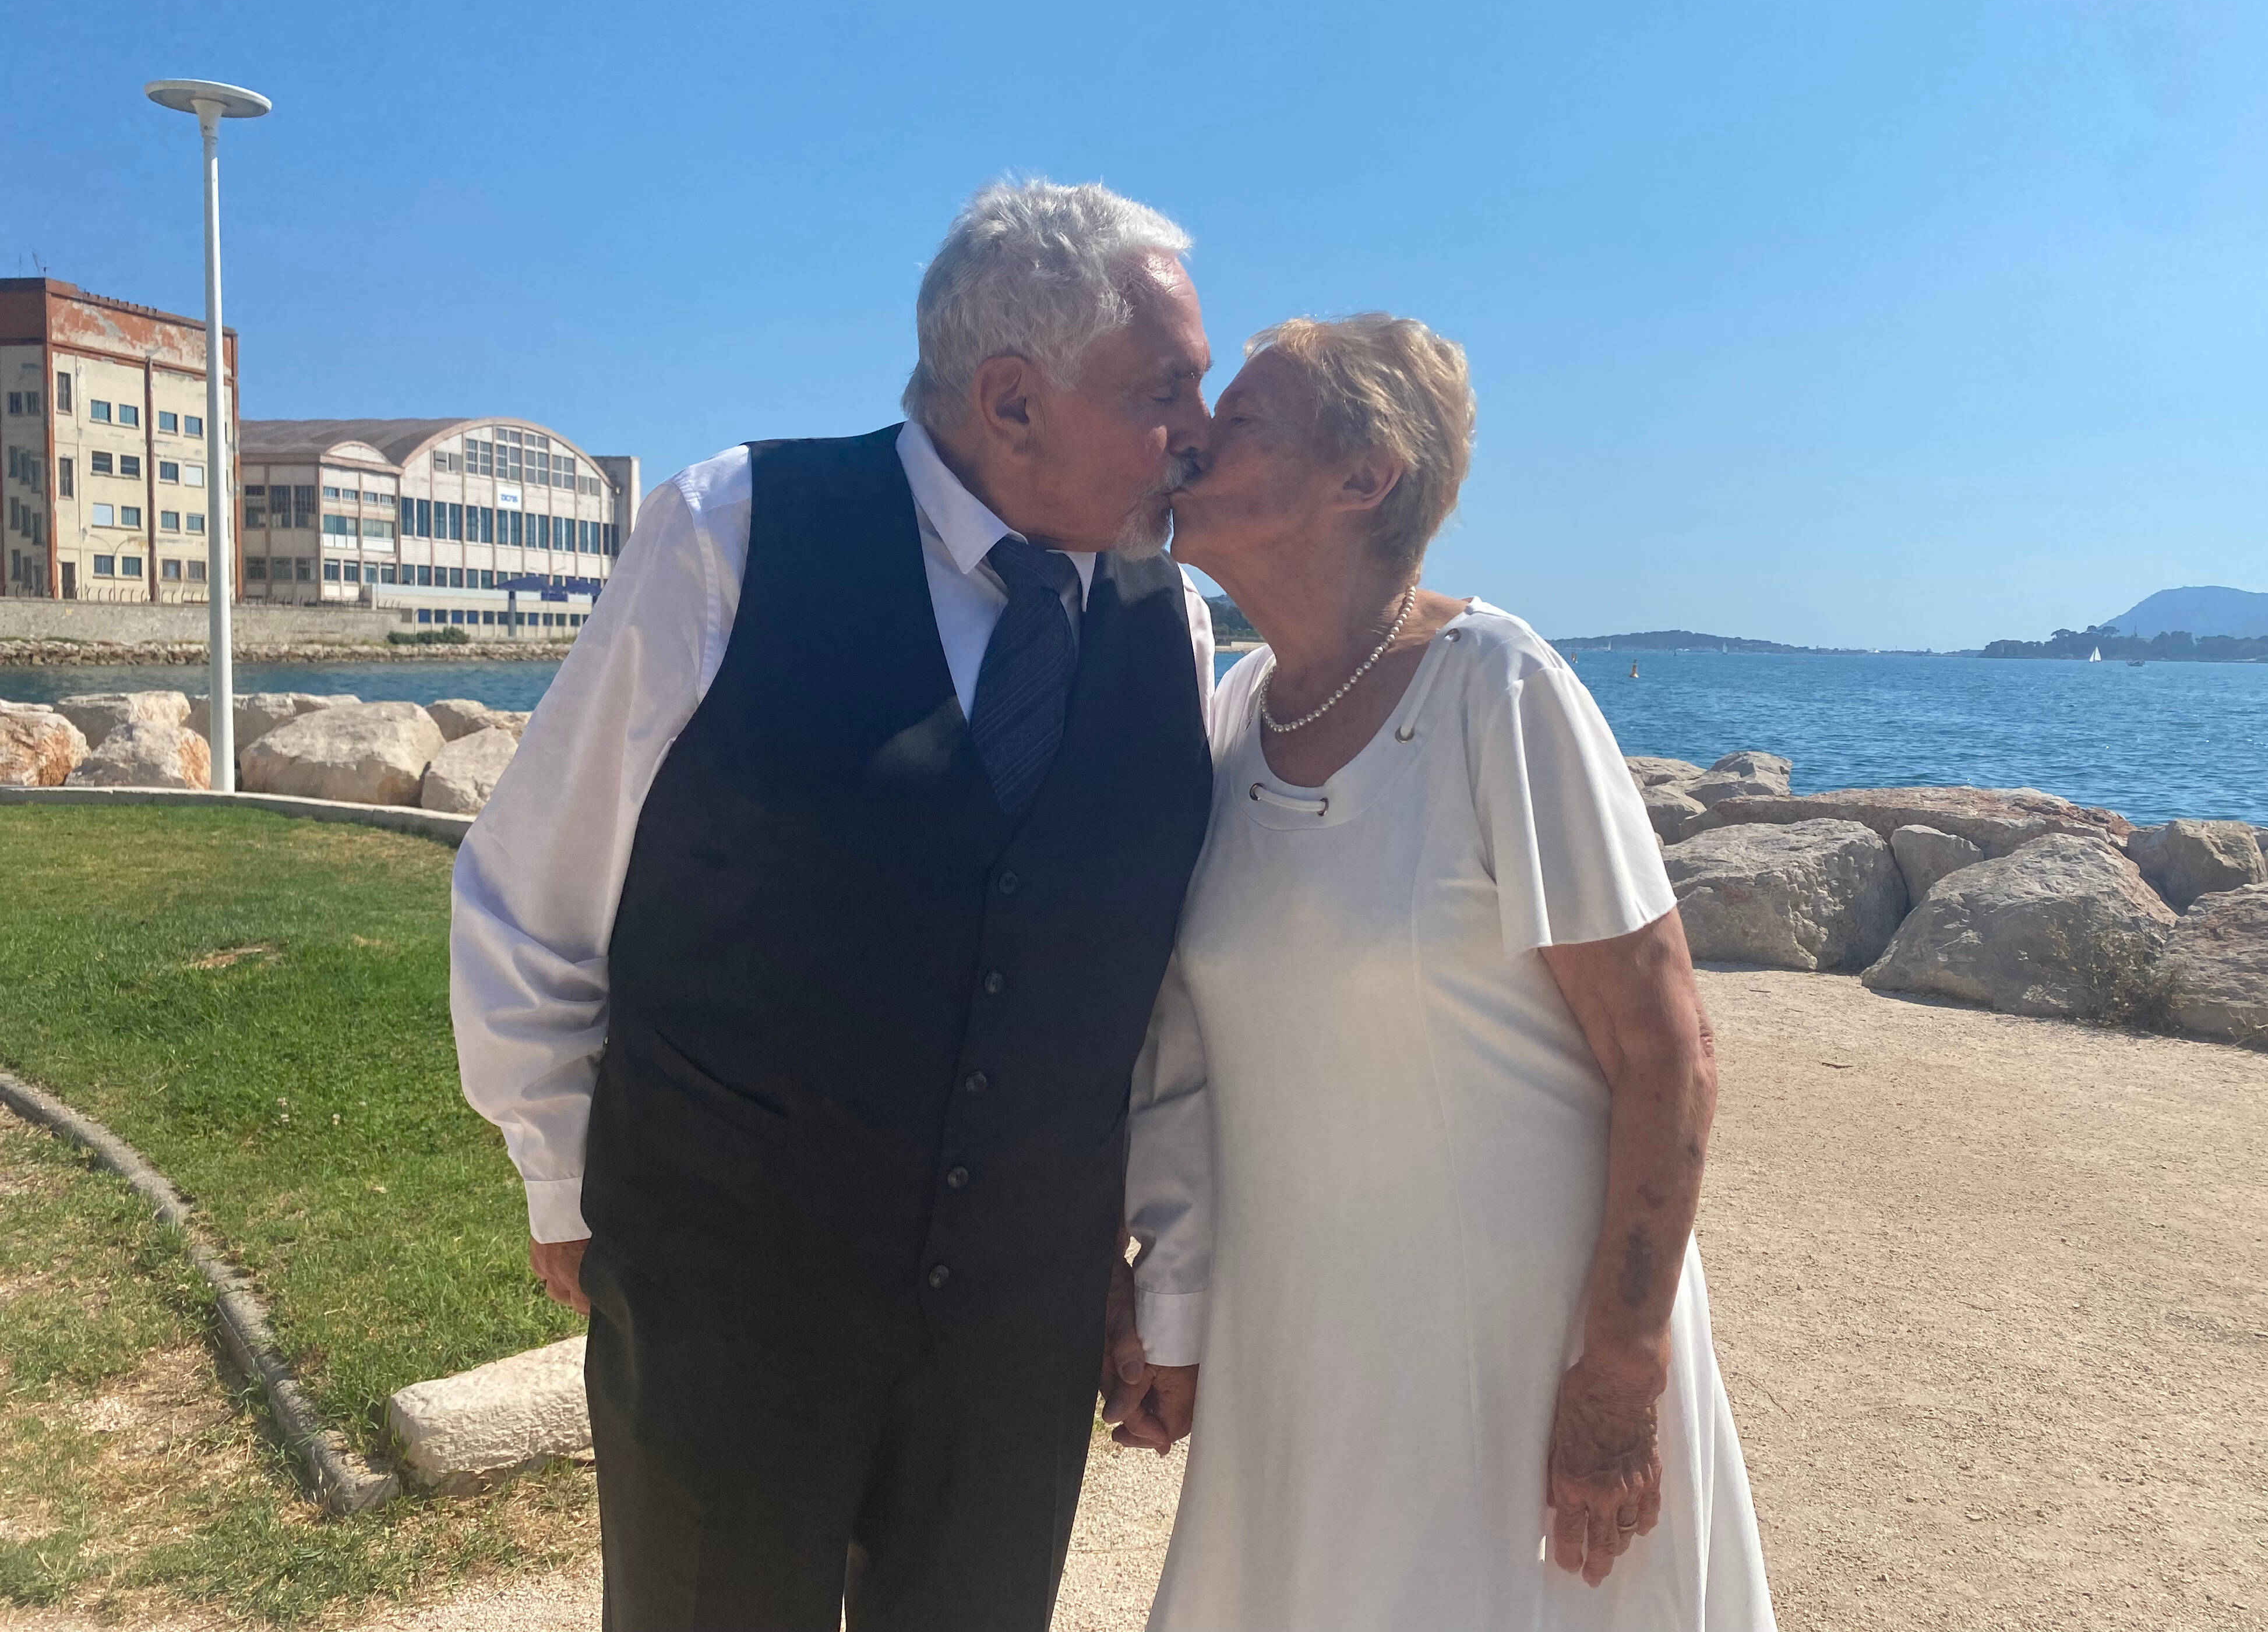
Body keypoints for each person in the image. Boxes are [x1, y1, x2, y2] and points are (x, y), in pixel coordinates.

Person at [451, 178, 1218, 1631]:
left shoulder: (1165, 623)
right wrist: (560, 1173)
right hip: (728, 1299)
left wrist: (1165, 1271)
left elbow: (1155, 988)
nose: (1202, 427)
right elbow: (531, 887)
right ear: (1011, 400)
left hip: (1013, 1325)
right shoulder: (732, 534)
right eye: (1165, 389)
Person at [1123, 314, 1776, 1630]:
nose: (1188, 442)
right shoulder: (1235, 712)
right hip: (1302, 1353)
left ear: (1363, 476)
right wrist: (1170, 1306)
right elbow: (1197, 1055)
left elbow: (1669, 1055)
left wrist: (1621, 1373)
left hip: (1519, 1358)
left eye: (1240, 423)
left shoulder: (1497, 689)